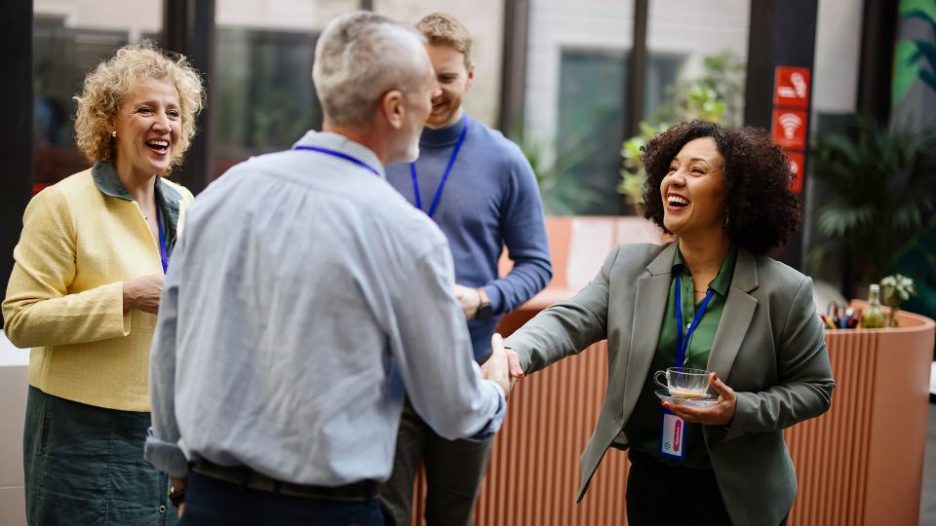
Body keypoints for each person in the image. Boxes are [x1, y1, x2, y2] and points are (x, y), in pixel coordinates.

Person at [143, 12, 514, 526]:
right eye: (425, 93)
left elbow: (170, 343)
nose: (433, 105)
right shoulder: (405, 234)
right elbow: (452, 408)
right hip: (330, 512)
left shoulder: (222, 195)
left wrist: (178, 475)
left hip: (210, 502)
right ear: (394, 107)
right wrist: (494, 389)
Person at [500, 120, 835, 526]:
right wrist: (514, 350)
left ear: (735, 195)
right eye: (672, 168)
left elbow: (815, 389)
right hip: (652, 483)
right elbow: (569, 320)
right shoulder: (626, 267)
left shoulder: (785, 290)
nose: (675, 179)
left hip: (738, 496)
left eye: (696, 170)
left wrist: (740, 409)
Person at [3, 41, 203, 525]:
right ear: (110, 120)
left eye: (173, 113)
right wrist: (125, 297)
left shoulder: (186, 203)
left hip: (166, 429)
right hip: (82, 432)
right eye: (146, 110)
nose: (164, 124)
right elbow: (20, 319)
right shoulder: (62, 204)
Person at [380, 12, 552, 526]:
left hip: (469, 369)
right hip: (385, 372)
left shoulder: (504, 159)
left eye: (447, 77)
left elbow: (536, 264)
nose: (434, 90)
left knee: (452, 516)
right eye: (422, 75)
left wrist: (482, 298)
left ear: (470, 77)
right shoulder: (376, 148)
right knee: (383, 515)